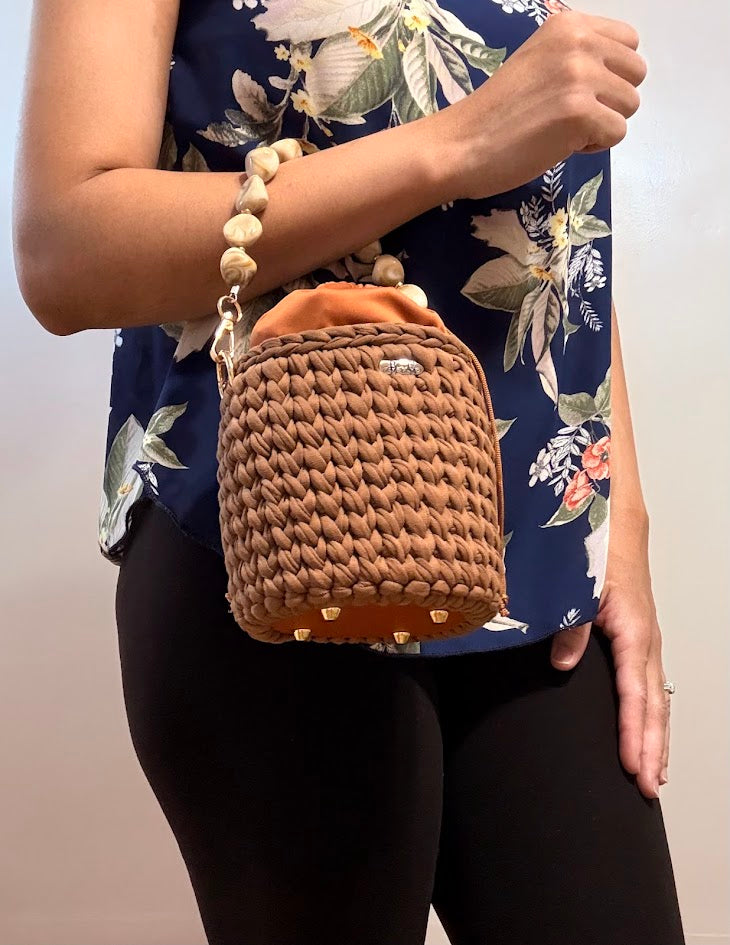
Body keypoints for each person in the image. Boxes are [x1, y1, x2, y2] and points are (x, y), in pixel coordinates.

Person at [13, 0, 686, 942]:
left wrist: (623, 526)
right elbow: (63, 247)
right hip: (277, 536)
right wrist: (458, 143)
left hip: (536, 555)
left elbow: (552, 229)